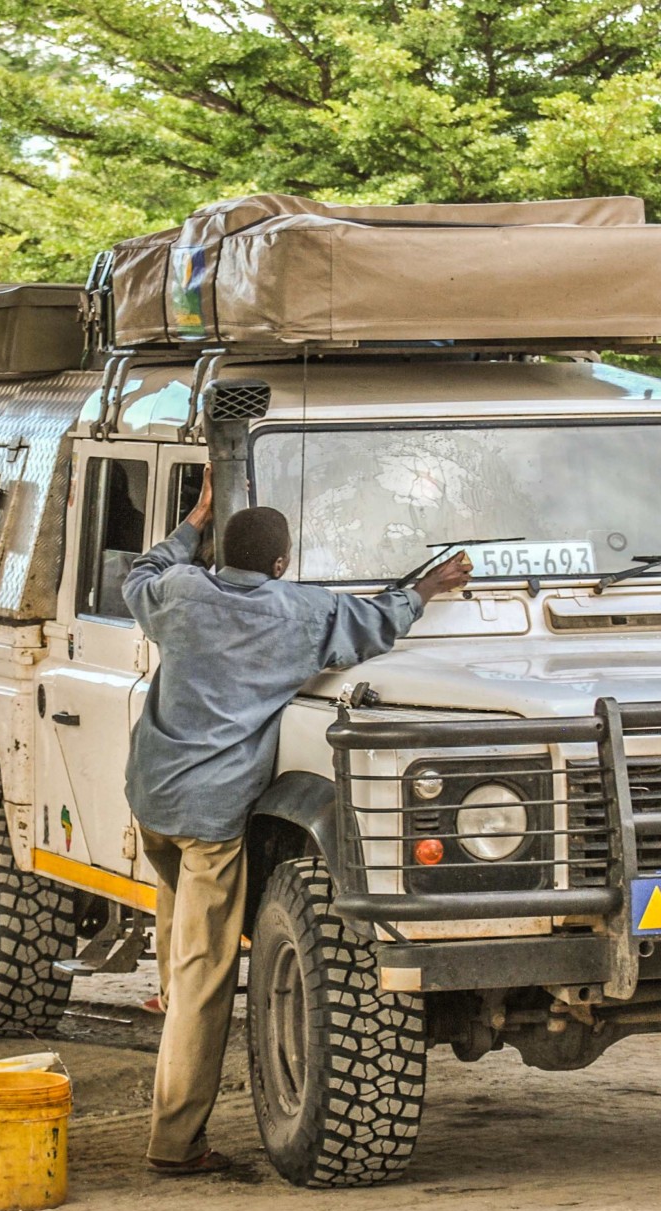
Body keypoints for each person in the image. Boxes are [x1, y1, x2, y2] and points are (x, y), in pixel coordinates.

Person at [122, 468, 473, 1174]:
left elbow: (141, 574)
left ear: (221, 550)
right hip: (214, 814)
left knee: (176, 916)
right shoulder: (299, 613)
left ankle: (168, 997)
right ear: (282, 566)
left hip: (152, 797)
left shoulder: (182, 593)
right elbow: (376, 622)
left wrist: (194, 518)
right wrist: (430, 587)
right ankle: (174, 1142)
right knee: (205, 974)